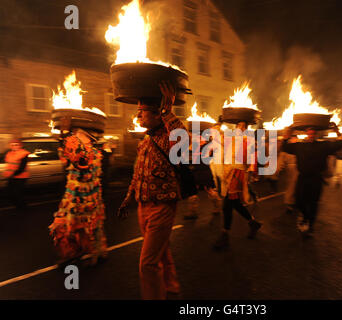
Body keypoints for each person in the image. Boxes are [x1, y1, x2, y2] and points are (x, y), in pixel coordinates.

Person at [118, 82, 185, 300]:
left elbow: (182, 140)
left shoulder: (168, 139)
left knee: (147, 263)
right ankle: (171, 286)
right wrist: (127, 199)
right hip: (142, 206)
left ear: (157, 115)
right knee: (161, 251)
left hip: (162, 207)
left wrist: (168, 111)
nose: (138, 117)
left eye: (142, 112)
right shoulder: (145, 142)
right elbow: (138, 175)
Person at [48, 125, 107, 267]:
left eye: (78, 134)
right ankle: (71, 254)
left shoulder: (92, 153)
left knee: (87, 227)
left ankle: (92, 253)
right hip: (71, 197)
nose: (75, 136)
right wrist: (62, 137)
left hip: (86, 199)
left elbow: (83, 168)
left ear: (88, 138)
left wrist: (67, 137)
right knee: (63, 224)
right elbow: (65, 157)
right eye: (75, 134)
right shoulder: (77, 150)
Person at [282, 124, 342, 235]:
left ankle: (310, 225)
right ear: (306, 134)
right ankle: (306, 217)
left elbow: (340, 144)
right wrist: (289, 133)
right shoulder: (299, 146)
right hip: (302, 178)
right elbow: (285, 147)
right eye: (309, 133)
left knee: (313, 203)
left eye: (313, 133)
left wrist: (337, 131)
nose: (311, 135)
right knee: (299, 201)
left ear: (316, 134)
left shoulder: (323, 145)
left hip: (316, 179)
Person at [213, 120, 262, 250]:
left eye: (243, 126)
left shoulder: (248, 141)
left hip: (238, 172)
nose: (240, 128)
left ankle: (225, 235)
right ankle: (252, 222)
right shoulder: (232, 138)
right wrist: (217, 131)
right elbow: (220, 142)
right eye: (238, 125)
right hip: (229, 172)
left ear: (246, 128)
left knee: (227, 204)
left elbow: (246, 158)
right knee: (235, 203)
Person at [185, 131, 221, 219]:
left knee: (211, 191)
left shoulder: (207, 146)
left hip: (204, 171)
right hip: (194, 172)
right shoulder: (191, 145)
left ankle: (217, 207)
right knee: (192, 193)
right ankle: (192, 212)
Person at [3, 138, 30, 212]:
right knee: (10, 193)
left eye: (16, 145)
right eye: (12, 145)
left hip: (21, 177)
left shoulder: (24, 153)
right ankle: (18, 206)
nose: (14, 146)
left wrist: (12, 174)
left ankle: (23, 209)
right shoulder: (9, 153)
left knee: (18, 194)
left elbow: (22, 167)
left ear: (20, 146)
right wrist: (9, 174)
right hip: (11, 177)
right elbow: (9, 165)